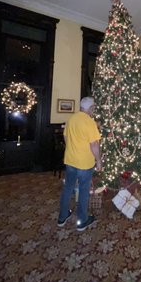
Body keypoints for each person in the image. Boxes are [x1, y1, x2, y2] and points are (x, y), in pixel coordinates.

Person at [57, 96, 102, 231]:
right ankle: (82, 221)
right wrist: (98, 161)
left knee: (68, 188)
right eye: (93, 108)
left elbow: (65, 136)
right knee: (83, 191)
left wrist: (72, 149)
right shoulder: (89, 122)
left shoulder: (72, 118)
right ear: (91, 108)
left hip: (70, 161)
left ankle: (62, 217)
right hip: (84, 164)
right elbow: (94, 144)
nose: (93, 110)